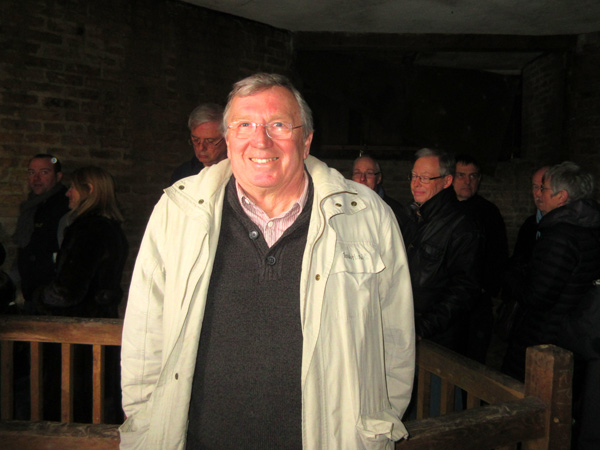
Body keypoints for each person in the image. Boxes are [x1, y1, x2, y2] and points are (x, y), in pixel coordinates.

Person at [120, 73, 415, 449]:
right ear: (228, 139)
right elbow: (145, 337)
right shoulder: (177, 212)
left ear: (306, 141)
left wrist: (374, 426)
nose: (260, 140)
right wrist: (147, 424)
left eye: (278, 124)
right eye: (244, 125)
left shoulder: (365, 215)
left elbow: (397, 339)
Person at [501, 161, 600, 382]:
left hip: (544, 339)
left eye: (544, 189)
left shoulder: (560, 237)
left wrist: (511, 274)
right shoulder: (587, 228)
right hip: (569, 336)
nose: (539, 194)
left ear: (561, 196)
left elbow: (537, 296)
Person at [402, 148, 481, 355]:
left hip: (438, 341)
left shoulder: (461, 225)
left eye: (425, 178)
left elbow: (464, 289)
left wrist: (423, 328)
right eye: (414, 176)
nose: (416, 183)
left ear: (446, 181)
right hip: (405, 329)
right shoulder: (413, 216)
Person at [34, 166, 128, 318]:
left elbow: (67, 291)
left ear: (89, 189)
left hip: (79, 326)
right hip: (97, 323)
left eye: (73, 187)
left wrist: (39, 297)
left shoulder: (90, 229)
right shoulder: (111, 227)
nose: (68, 193)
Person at [452, 154, 508, 363]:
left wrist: (486, 288)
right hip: (447, 302)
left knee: (473, 360)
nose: (468, 181)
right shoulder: (443, 208)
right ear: (451, 177)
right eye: (462, 175)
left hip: (477, 303)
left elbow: (499, 255)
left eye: (473, 176)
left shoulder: (489, 213)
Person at [11, 154, 69, 313]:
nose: (36, 178)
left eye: (44, 172)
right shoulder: (30, 207)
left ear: (58, 176)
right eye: (31, 172)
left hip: (51, 297)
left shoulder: (65, 207)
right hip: (31, 291)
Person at [170, 103, 228, 184]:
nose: (201, 148)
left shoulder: (240, 173)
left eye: (210, 141)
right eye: (196, 140)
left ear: (227, 139)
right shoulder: (183, 174)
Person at [352, 153, 406, 226]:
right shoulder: (343, 207)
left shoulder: (394, 211)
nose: (362, 178)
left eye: (369, 173)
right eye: (357, 173)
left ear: (379, 178)